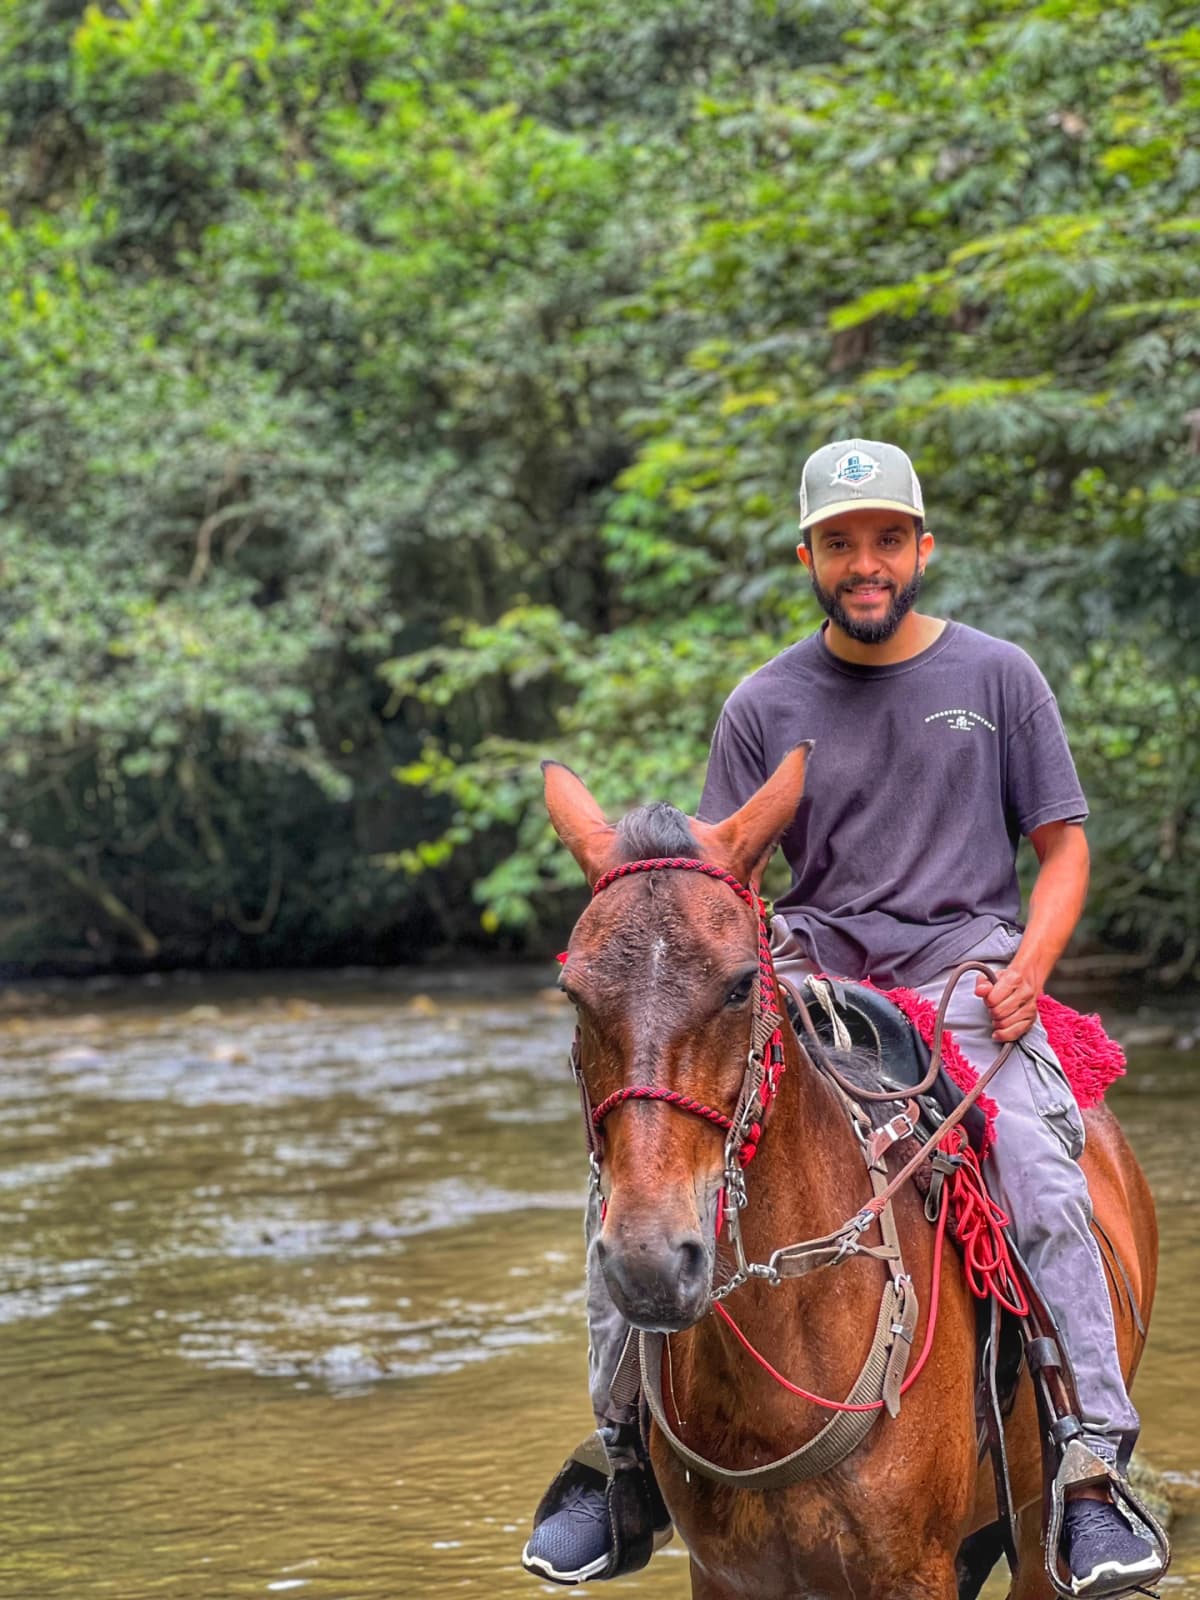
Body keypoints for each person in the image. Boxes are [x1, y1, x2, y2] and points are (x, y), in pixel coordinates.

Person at [522, 439, 1164, 1596]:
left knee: (1041, 1165)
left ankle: (1089, 1469)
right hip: (813, 974)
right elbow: (722, 890)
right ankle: (621, 1453)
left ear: (921, 548)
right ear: (808, 556)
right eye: (839, 544)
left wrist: (1033, 966)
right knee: (642, 1168)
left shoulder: (1000, 678)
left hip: (967, 973)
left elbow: (1062, 849)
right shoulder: (762, 703)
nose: (863, 565)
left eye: (884, 540)